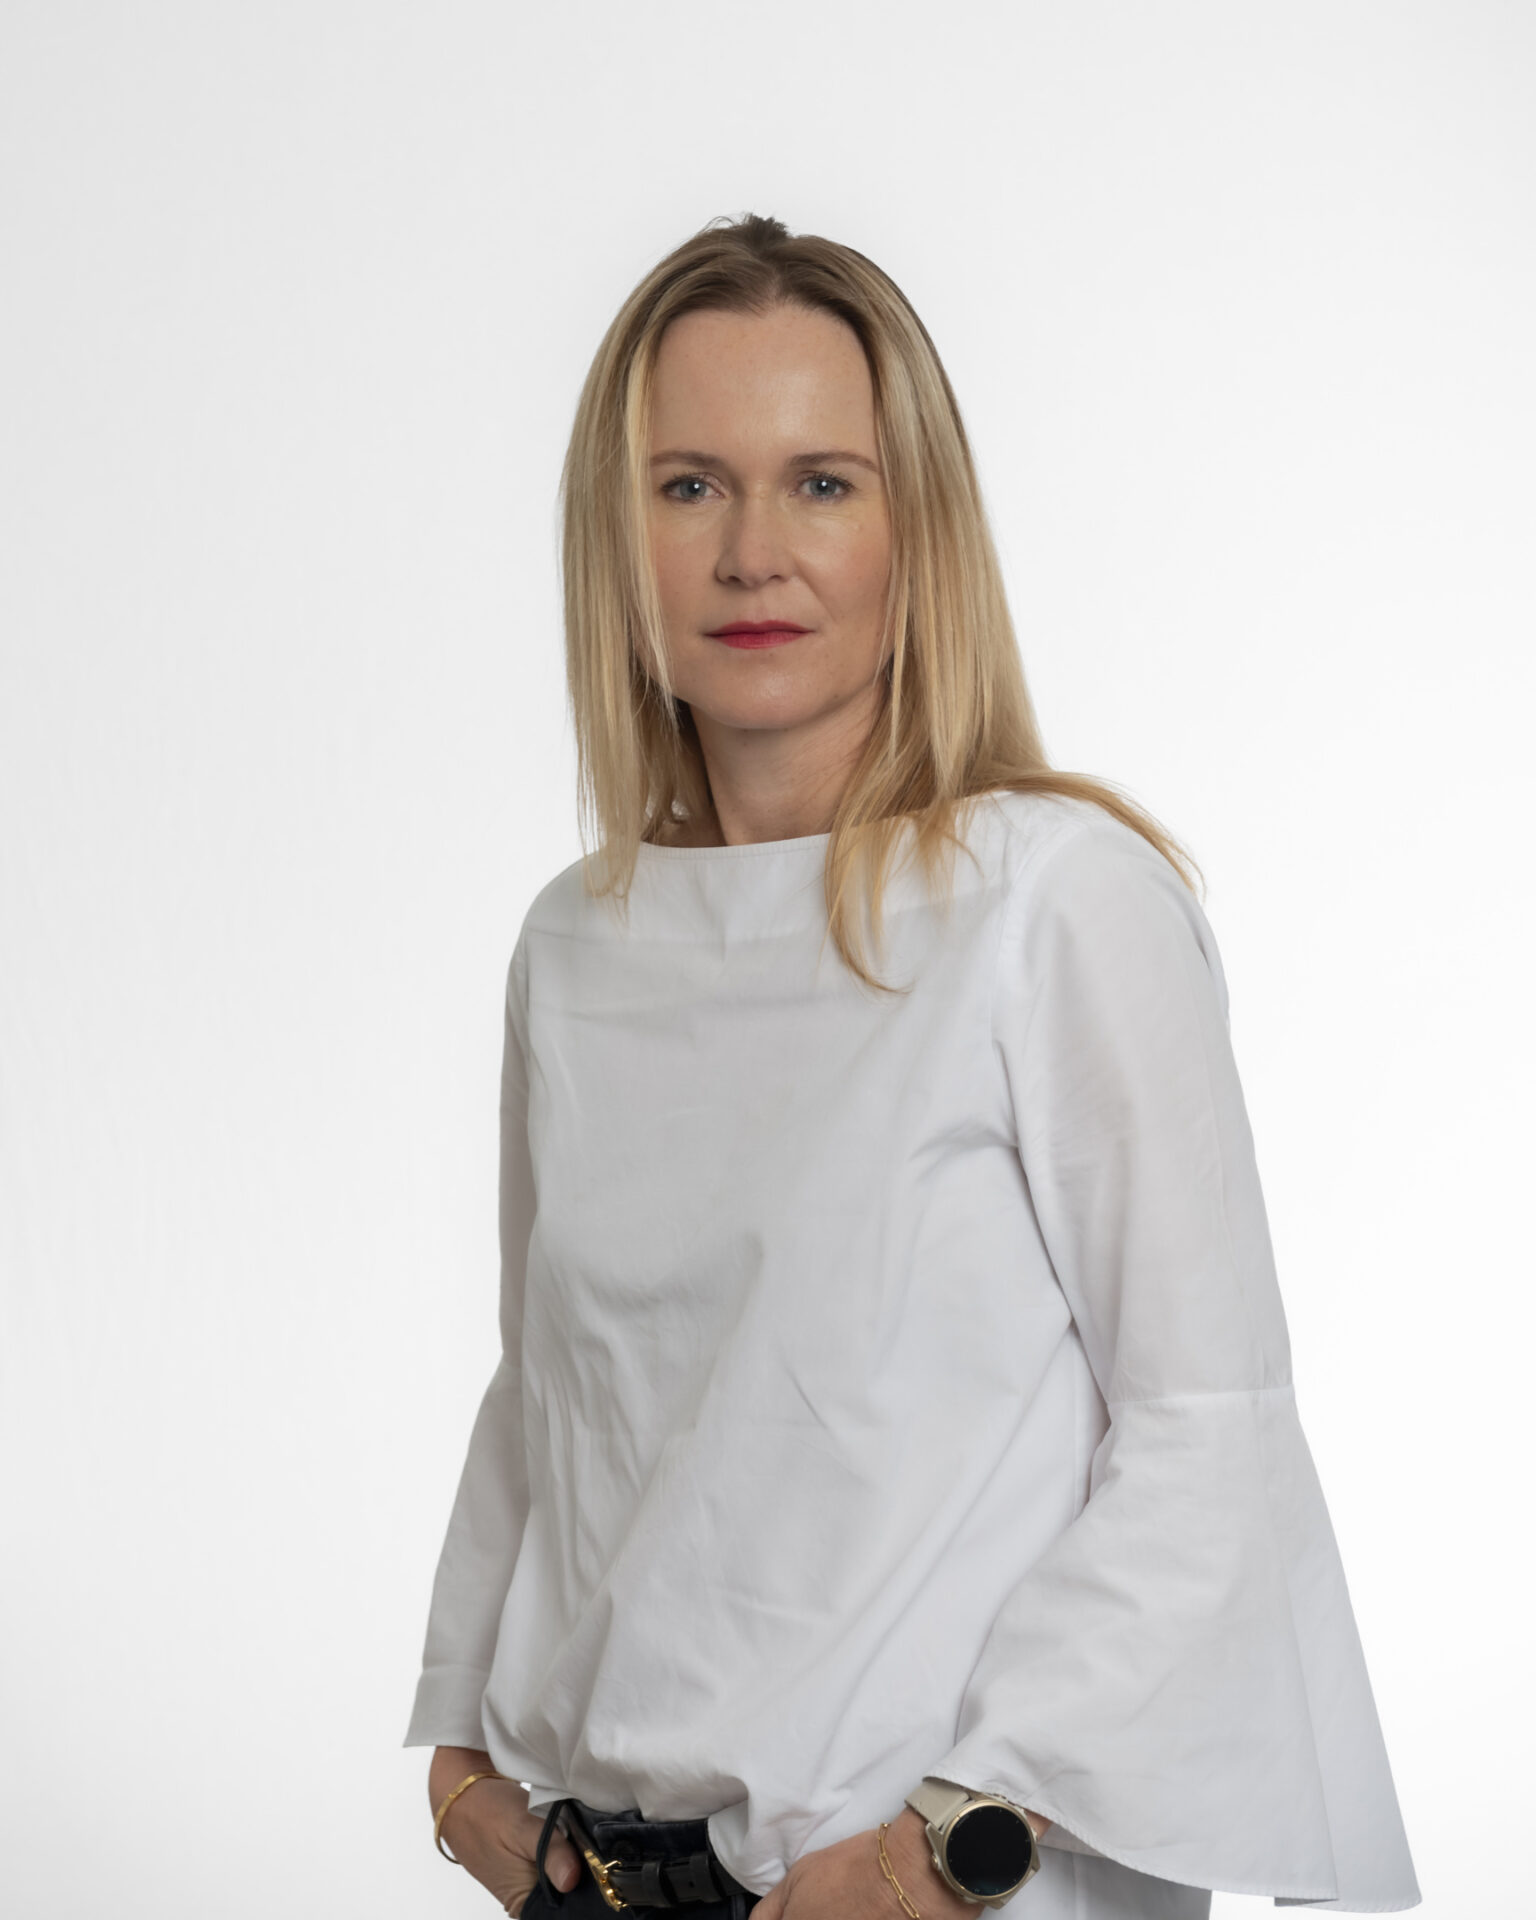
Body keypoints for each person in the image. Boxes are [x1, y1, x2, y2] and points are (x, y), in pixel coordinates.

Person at [403, 214, 1420, 1920]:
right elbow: (550, 1404)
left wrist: (940, 1858)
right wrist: (460, 1773)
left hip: (939, 1890)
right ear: (615, 539)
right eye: (687, 486)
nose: (752, 556)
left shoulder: (1053, 903)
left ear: (916, 529)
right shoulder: (574, 945)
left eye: (822, 483)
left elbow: (1208, 1439)